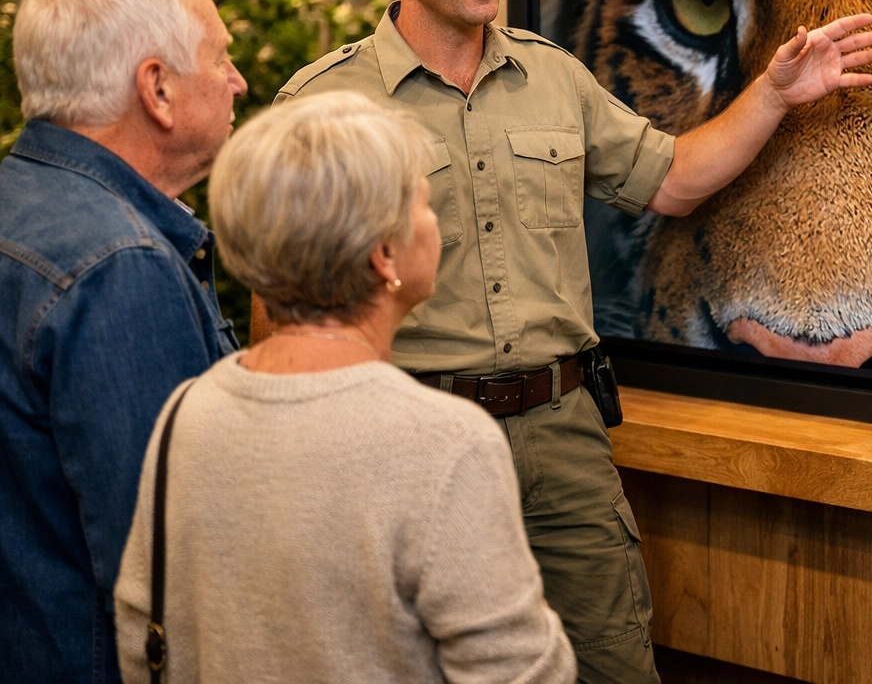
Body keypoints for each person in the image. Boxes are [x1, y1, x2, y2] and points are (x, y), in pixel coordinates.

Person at [268, 0, 872, 683]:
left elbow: (673, 179)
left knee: (612, 662)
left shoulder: (551, 76)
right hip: (411, 432)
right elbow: (281, 304)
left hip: (561, 432)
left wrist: (772, 94)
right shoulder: (325, 103)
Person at [115, 91, 576, 684]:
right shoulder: (446, 444)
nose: (435, 224)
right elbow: (524, 674)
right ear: (385, 255)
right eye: (426, 205)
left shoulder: (187, 413)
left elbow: (140, 639)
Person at [0, 0, 245, 684]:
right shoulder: (119, 266)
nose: (238, 79)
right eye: (221, 57)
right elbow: (166, 569)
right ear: (159, 89)